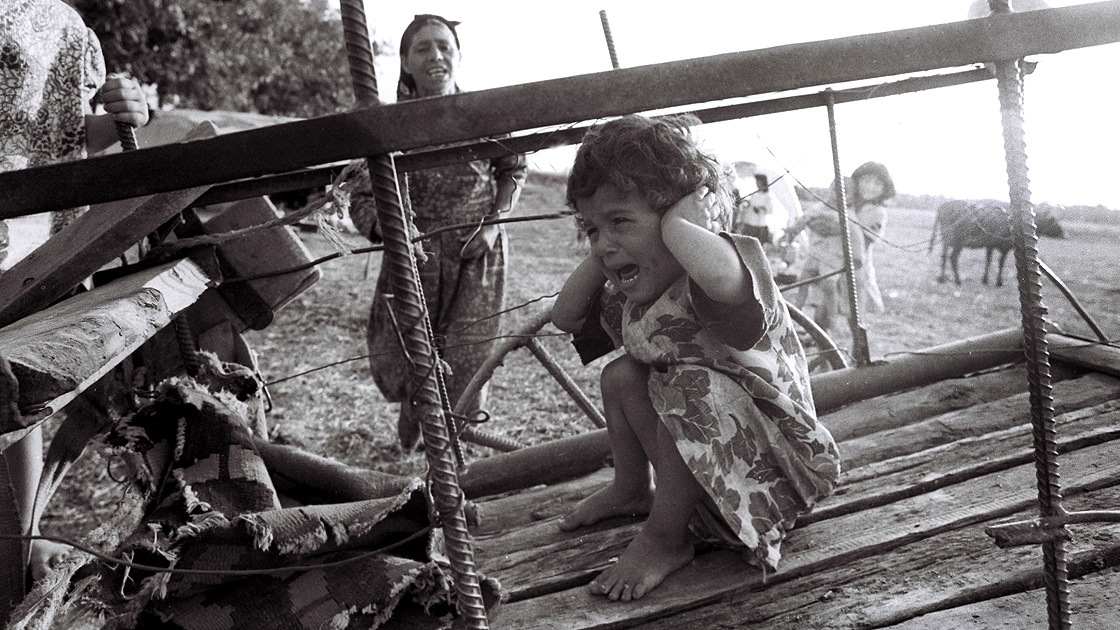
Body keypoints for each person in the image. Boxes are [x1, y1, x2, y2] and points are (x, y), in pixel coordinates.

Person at [552, 114, 840, 602]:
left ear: (683, 220)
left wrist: (677, 225)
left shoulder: (722, 266)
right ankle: (631, 488)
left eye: (620, 220)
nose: (602, 243)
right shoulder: (640, 295)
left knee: (690, 385)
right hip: (704, 476)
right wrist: (610, 241)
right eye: (590, 228)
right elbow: (565, 316)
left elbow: (725, 281)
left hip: (772, 476)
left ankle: (665, 539)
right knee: (622, 375)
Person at [1, 0, 149, 582]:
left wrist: (122, 116)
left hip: (29, 233)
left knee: (18, 387)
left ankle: (24, 538)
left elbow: (66, 135)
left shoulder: (60, 23)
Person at [356, 14, 527, 449]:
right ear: (406, 62)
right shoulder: (388, 125)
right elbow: (359, 196)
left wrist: (492, 227)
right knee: (406, 357)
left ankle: (455, 448)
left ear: (458, 55)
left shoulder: (482, 115)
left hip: (477, 254)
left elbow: (514, 170)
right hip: (411, 256)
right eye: (423, 48)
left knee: (468, 359)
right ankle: (415, 415)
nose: (436, 56)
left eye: (444, 46)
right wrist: (391, 231)